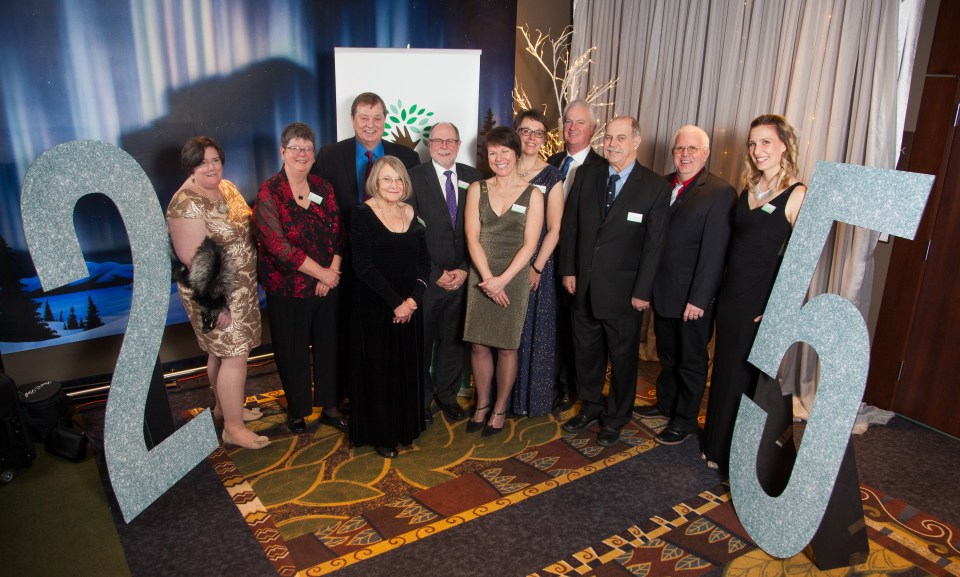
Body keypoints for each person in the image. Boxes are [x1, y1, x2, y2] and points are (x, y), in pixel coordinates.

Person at [701, 114, 807, 474]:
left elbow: (800, 262)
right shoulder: (749, 188)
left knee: (746, 376)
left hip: (760, 300)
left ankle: (740, 455)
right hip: (731, 294)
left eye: (765, 142)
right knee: (724, 369)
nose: (757, 150)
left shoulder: (797, 193)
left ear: (784, 146)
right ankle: (715, 444)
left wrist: (777, 308)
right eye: (753, 143)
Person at [558, 116, 670, 447]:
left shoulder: (655, 187)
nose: (612, 144)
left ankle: (617, 417)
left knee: (622, 359)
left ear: (636, 141)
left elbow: (654, 246)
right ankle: (590, 406)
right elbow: (571, 226)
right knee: (586, 353)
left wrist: (642, 291)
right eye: (608, 137)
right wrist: (569, 270)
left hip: (625, 293)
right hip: (583, 286)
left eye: (621, 138)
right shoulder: (587, 174)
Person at [313, 92, 421, 409]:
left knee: (391, 336)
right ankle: (350, 397)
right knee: (350, 333)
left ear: (385, 119)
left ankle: (392, 399)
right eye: (364, 118)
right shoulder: (330, 156)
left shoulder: (407, 157)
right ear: (353, 120)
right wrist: (327, 264)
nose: (370, 124)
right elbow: (319, 214)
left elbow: (413, 214)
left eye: (376, 118)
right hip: (345, 263)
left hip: (393, 266)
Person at [167, 136, 268, 450]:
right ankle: (233, 430)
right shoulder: (185, 202)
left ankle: (226, 409)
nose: (211, 167)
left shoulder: (226, 187)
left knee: (221, 352)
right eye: (202, 163)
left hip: (243, 288)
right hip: (214, 291)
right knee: (234, 355)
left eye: (215, 160)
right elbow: (192, 259)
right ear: (190, 167)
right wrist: (216, 304)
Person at [637, 126, 737, 446]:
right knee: (668, 355)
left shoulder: (720, 192)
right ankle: (666, 403)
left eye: (693, 149)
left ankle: (685, 419)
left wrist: (699, 298)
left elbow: (714, 252)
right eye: (680, 148)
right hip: (663, 290)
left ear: (705, 153)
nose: (685, 154)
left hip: (693, 297)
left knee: (691, 360)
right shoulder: (662, 184)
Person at [254, 122, 348, 435]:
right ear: (282, 152)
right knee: (291, 351)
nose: (302, 154)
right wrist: (322, 273)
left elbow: (339, 232)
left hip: (326, 285)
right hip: (287, 288)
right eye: (295, 148)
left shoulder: (323, 187)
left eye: (307, 148)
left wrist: (331, 274)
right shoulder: (269, 192)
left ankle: (331, 406)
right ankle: (297, 409)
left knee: (329, 345)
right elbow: (279, 247)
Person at [463, 126, 544, 437]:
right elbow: (472, 237)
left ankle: (499, 408)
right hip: (481, 273)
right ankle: (482, 404)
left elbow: (530, 244)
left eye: (504, 151)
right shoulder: (477, 189)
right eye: (492, 152)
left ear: (516, 153)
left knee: (508, 346)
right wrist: (488, 279)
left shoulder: (533, 194)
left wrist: (503, 281)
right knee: (478, 344)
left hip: (514, 276)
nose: (498, 157)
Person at [349, 156, 431, 458]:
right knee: (380, 371)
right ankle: (382, 435)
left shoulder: (411, 212)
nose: (394, 185)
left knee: (405, 368)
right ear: (375, 182)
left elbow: (424, 263)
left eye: (398, 179)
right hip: (376, 307)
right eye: (387, 179)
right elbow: (363, 266)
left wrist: (413, 301)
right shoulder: (362, 214)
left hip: (410, 307)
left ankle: (404, 427)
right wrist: (396, 303)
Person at [408, 122, 483, 424]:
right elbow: (409, 231)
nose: (443, 146)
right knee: (422, 345)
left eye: (449, 140)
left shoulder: (474, 177)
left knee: (454, 342)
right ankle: (421, 399)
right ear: (429, 144)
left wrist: (465, 269)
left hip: (463, 278)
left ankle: (448, 397)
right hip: (428, 279)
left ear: (458, 144)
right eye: (438, 140)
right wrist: (435, 271)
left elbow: (483, 228)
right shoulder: (413, 177)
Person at [547, 100, 606, 412]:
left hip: (579, 265)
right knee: (551, 324)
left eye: (580, 122)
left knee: (576, 329)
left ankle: (571, 387)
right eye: (568, 121)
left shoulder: (603, 169)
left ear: (592, 129)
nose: (572, 128)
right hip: (545, 258)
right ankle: (549, 382)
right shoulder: (552, 162)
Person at [511, 110, 565, 417]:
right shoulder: (504, 167)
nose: (531, 138)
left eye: (538, 133)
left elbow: (555, 228)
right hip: (505, 261)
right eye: (526, 131)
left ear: (545, 139)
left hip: (536, 264)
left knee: (532, 330)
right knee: (506, 330)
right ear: (516, 133)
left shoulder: (552, 176)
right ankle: (503, 399)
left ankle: (529, 400)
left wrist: (537, 268)